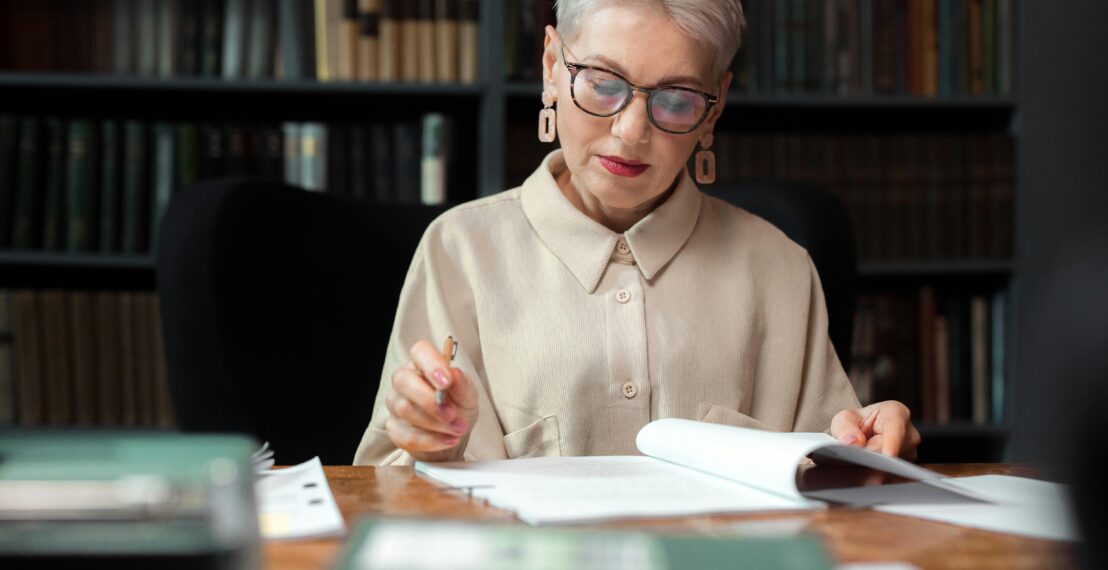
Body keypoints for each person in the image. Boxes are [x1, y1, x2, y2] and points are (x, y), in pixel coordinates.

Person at [354, 0, 920, 466]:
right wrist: (429, 445)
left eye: (676, 100)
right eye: (602, 83)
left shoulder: (780, 267)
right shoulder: (459, 251)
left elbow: (830, 480)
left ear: (715, 106)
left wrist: (870, 448)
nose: (629, 132)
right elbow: (384, 489)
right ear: (552, 64)